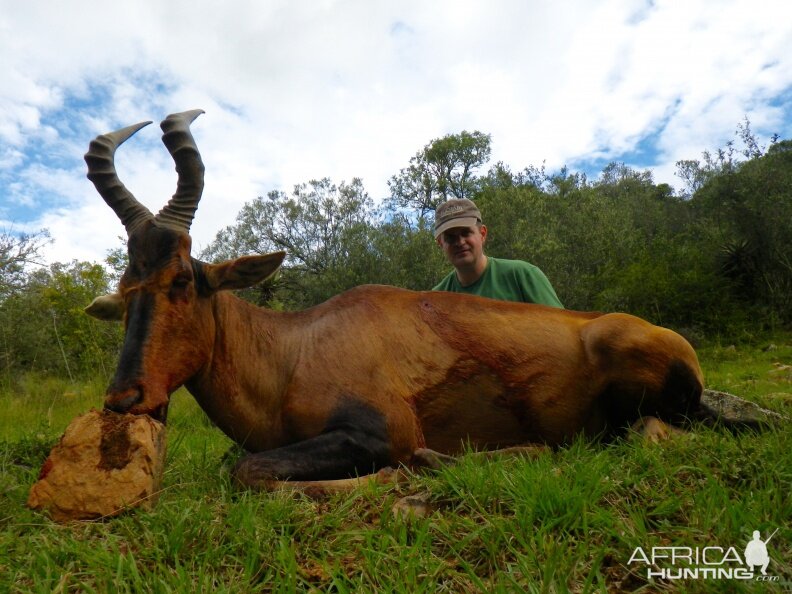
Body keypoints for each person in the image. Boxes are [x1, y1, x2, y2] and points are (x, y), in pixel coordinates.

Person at [432, 198, 563, 307]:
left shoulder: (522, 275)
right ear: (440, 243)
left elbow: (560, 330)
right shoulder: (435, 299)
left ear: (482, 234)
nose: (460, 242)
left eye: (466, 233)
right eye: (450, 237)